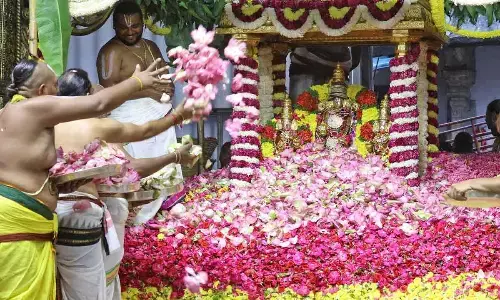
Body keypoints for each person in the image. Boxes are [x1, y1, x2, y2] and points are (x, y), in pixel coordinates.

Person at [0, 58, 167, 300]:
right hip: (21, 223)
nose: (59, 94)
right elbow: (99, 103)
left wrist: (59, 186)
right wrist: (138, 82)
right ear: (43, 92)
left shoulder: (7, 113)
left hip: (26, 220)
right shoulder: (33, 108)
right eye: (55, 87)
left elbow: (22, 172)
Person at [55, 68, 196, 300]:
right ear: (91, 96)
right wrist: (176, 121)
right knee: (88, 285)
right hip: (82, 215)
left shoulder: (42, 124)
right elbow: (145, 134)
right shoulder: (97, 127)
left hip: (44, 213)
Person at [97, 0, 180, 169]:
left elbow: (164, 76)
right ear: (114, 26)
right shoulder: (110, 52)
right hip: (131, 127)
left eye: (135, 26)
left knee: (166, 174)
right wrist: (148, 92)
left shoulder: (151, 46)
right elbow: (108, 91)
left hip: (161, 122)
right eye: (123, 27)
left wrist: (169, 87)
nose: (129, 32)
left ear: (143, 24)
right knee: (139, 177)